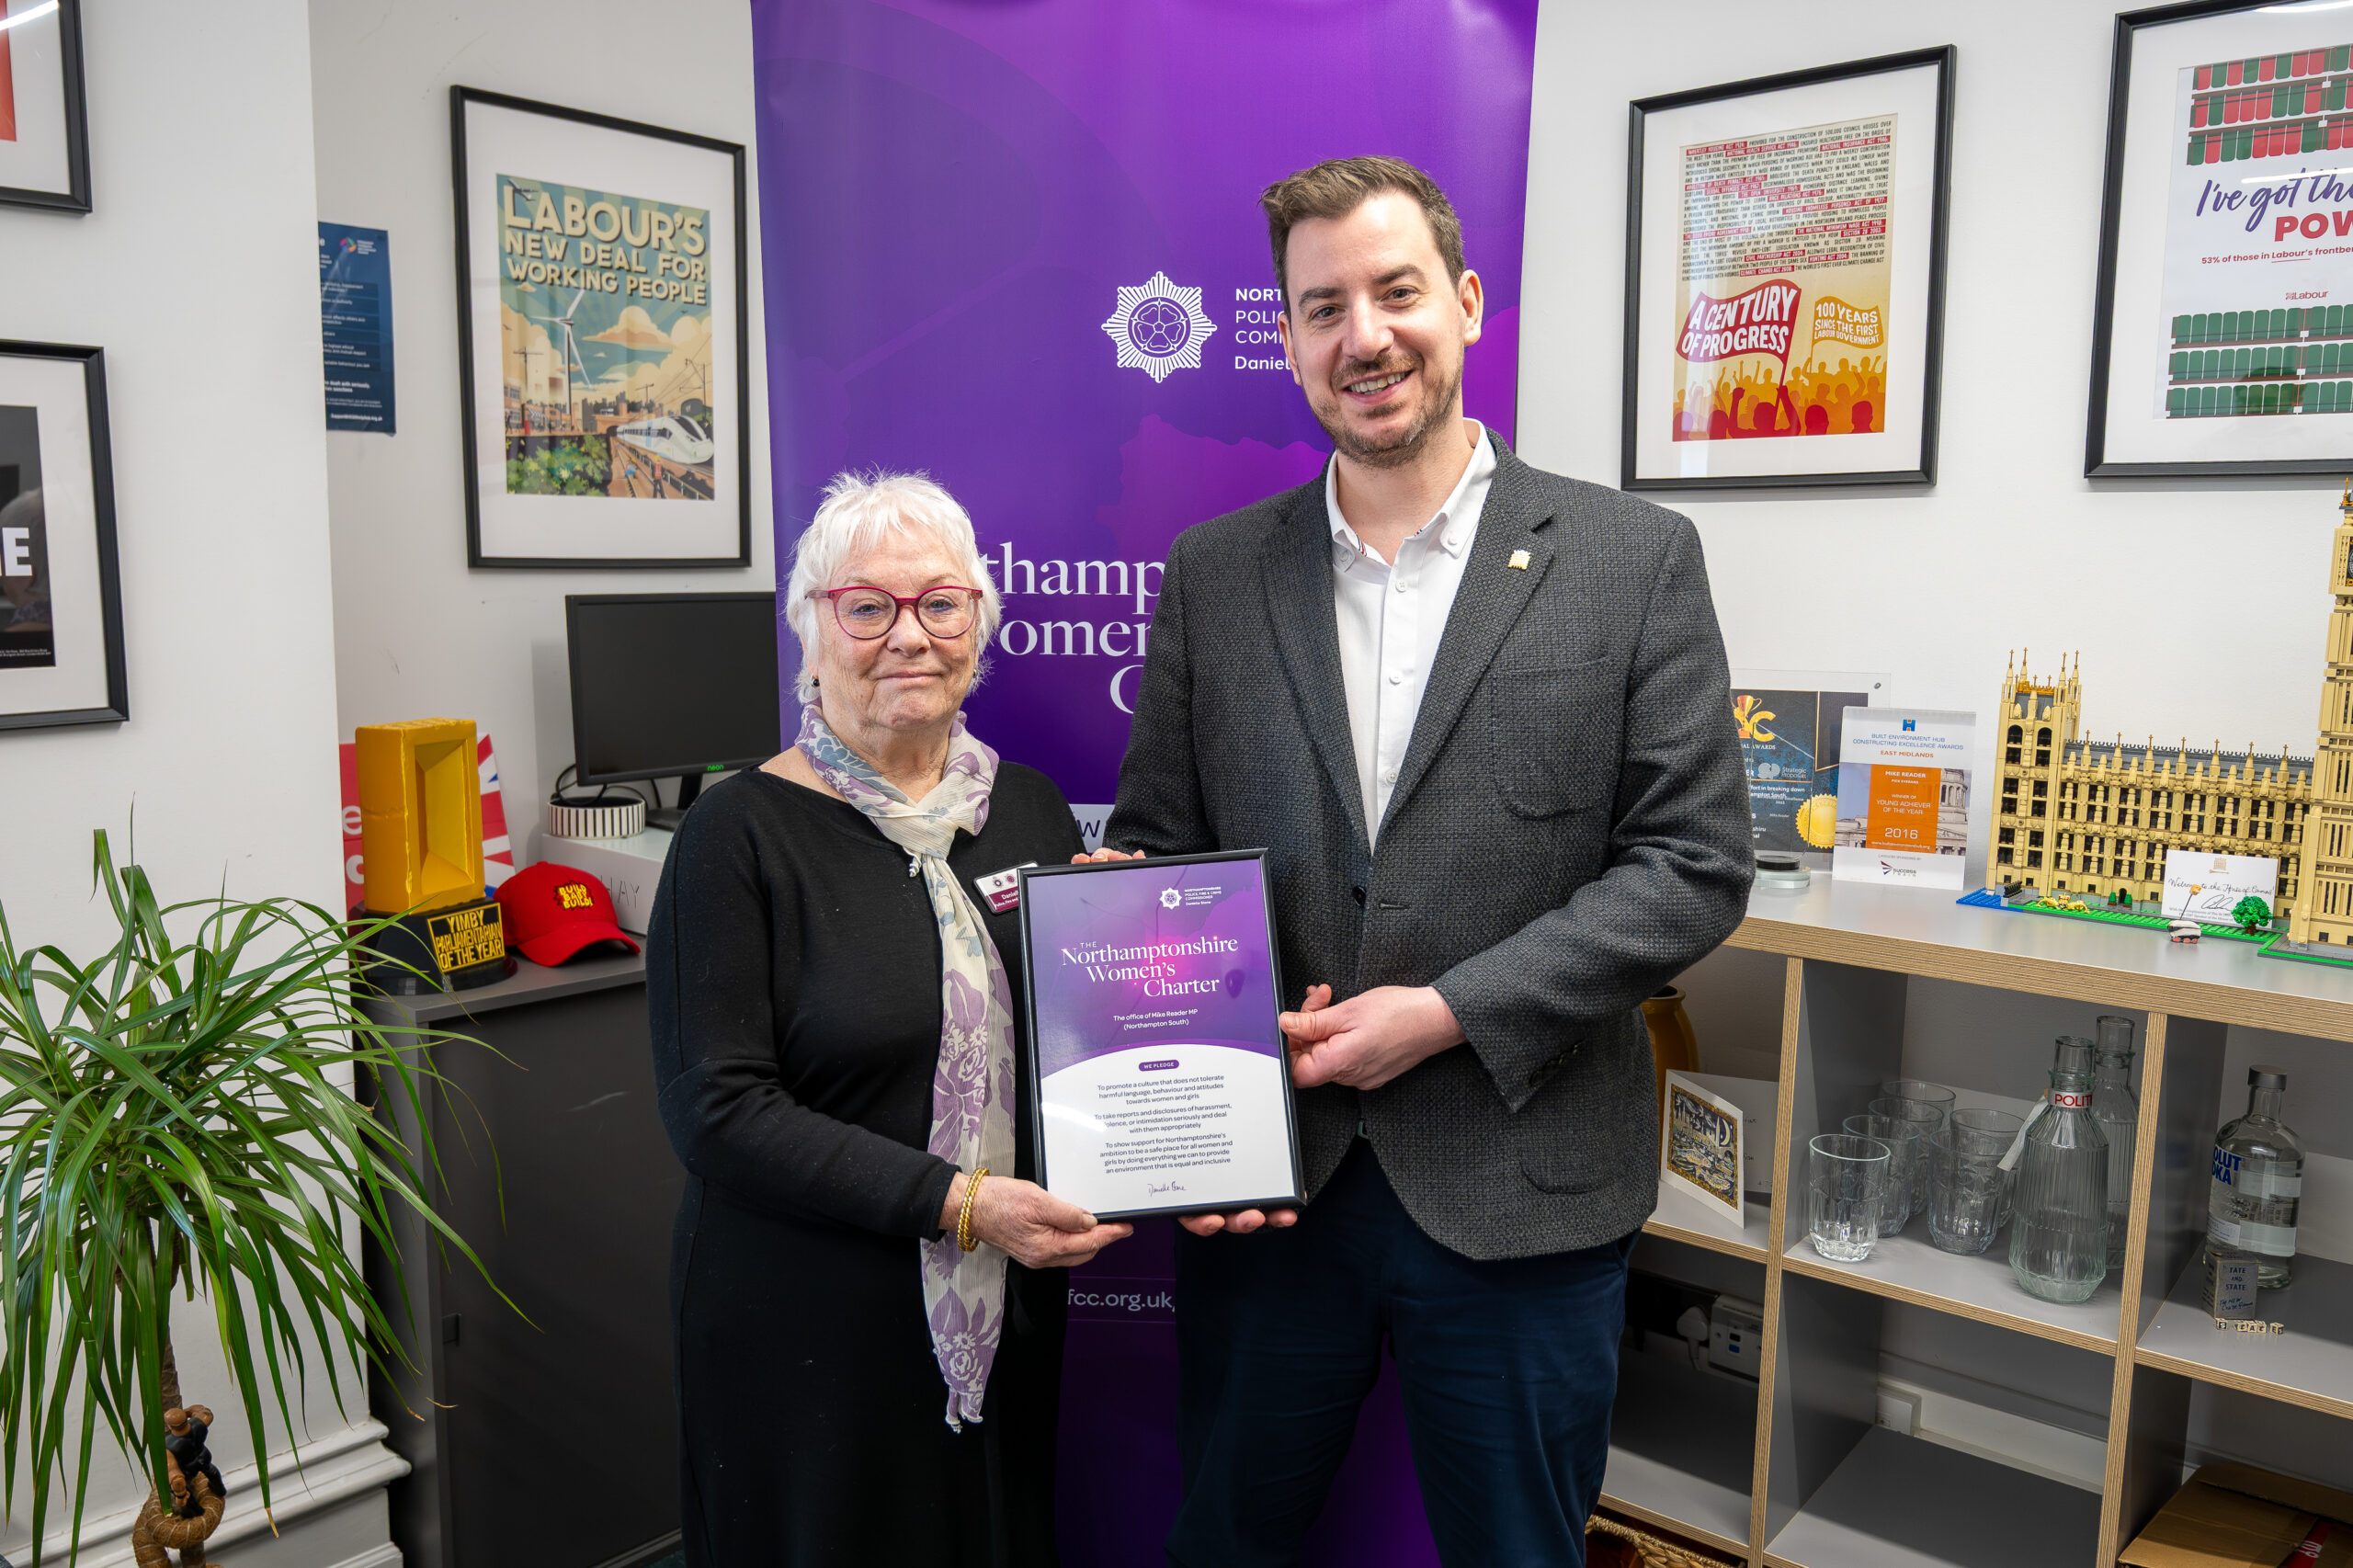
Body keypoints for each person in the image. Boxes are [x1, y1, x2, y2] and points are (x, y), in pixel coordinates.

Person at [1098, 156, 1754, 1566]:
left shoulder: (1633, 558)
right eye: (1322, 308)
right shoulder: (1215, 573)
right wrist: (1182, 1082)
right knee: (1224, 1540)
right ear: (1288, 341)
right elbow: (1157, 856)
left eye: (1395, 293)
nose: (1365, 337)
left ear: (1464, 302)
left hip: (1525, 1193)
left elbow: (1693, 864)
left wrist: (1448, 1012)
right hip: (1272, 1186)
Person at [648, 471, 1132, 1568]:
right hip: (809, 1329)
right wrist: (959, 1203)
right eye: (867, 606)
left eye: (940, 603)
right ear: (811, 632)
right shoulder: (735, 834)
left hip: (1004, 1303)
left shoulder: (1027, 806)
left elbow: (1059, 1042)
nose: (908, 635)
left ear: (979, 625)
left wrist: (1138, 964)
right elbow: (716, 1109)